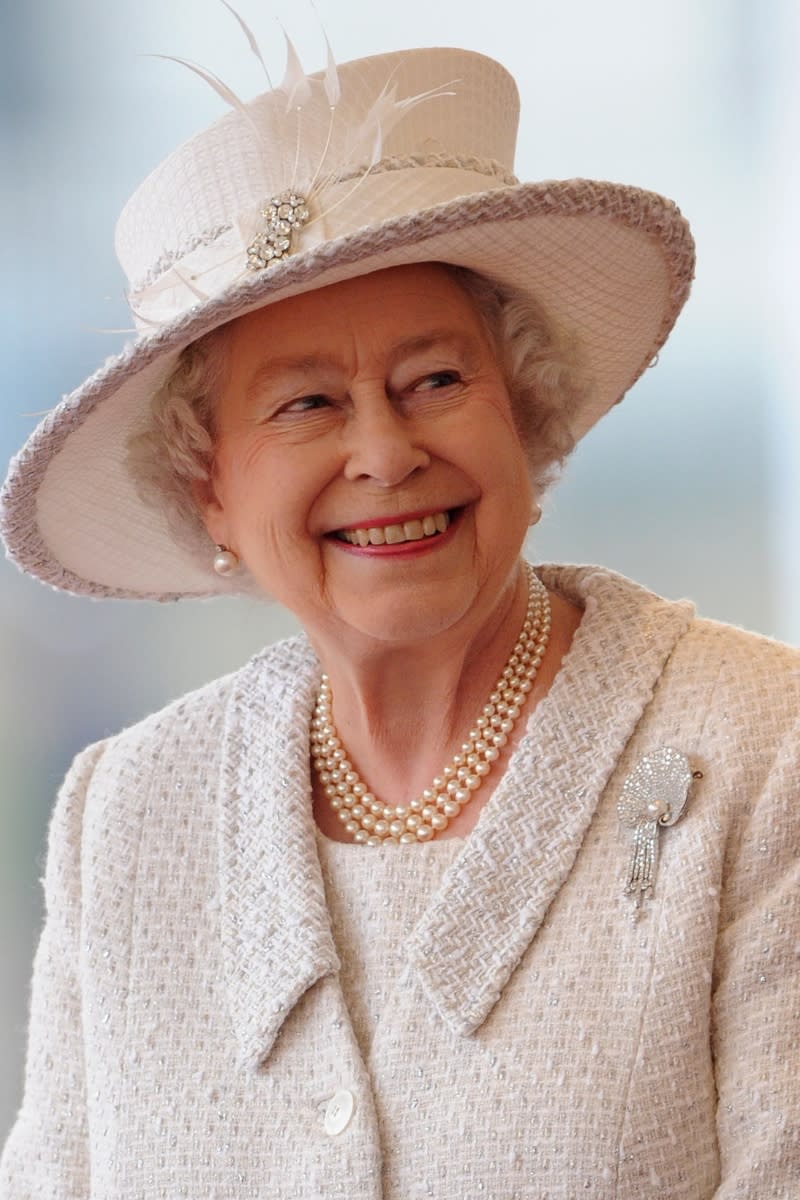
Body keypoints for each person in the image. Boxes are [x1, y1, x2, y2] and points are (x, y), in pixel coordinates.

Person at [1, 42, 797, 1200]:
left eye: (434, 381)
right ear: (207, 489)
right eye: (307, 403)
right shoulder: (124, 816)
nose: (383, 453)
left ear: (526, 416)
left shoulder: (761, 751)